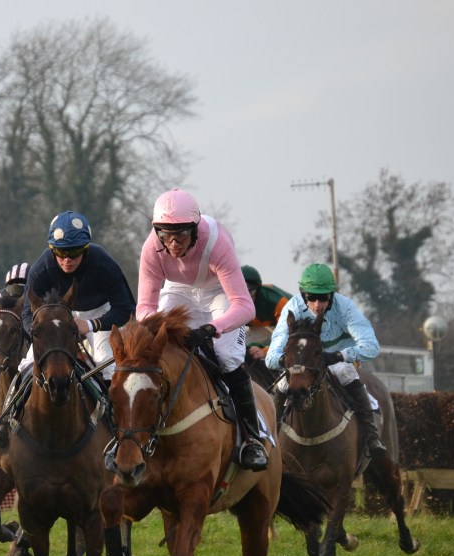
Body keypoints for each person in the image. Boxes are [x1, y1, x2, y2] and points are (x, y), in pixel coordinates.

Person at [134, 188, 269, 472]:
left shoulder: (217, 243)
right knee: (158, 350)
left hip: (218, 290)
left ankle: (252, 439)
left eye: (181, 234)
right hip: (178, 290)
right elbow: (144, 308)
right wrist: (163, 328)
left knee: (226, 355)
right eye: (165, 234)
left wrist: (210, 328)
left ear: (195, 229)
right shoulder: (151, 249)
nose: (172, 243)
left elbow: (245, 307)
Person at [0, 211, 136, 450]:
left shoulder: (103, 263)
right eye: (60, 252)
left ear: (86, 249)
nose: (67, 259)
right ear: (52, 250)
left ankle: (120, 434)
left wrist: (90, 325)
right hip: (58, 318)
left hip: (101, 314)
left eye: (74, 252)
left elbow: (125, 308)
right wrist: (40, 331)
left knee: (106, 363)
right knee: (26, 365)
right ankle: (3, 421)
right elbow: (27, 314)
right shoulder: (42, 268)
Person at [265, 262, 387, 460]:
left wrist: (339, 356)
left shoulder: (346, 307)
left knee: (347, 374)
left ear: (332, 295)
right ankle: (270, 438)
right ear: (303, 294)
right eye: (311, 297)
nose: (317, 305)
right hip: (304, 363)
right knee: (281, 384)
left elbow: (372, 347)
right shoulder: (293, 307)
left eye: (323, 298)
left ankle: (372, 436)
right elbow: (271, 358)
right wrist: (288, 361)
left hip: (337, 360)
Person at [241, 265, 292, 361]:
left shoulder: (278, 302)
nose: (246, 298)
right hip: (261, 327)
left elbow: (290, 336)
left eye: (250, 292)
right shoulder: (228, 300)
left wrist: (265, 351)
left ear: (258, 290)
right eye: (241, 292)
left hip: (290, 328)